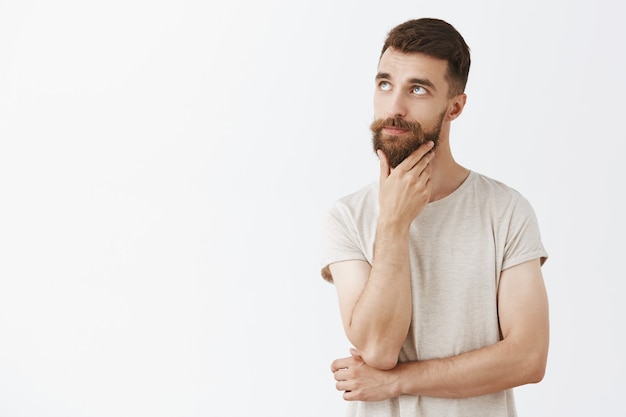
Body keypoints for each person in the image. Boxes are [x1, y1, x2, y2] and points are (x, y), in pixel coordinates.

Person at [320, 17, 549, 416]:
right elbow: (378, 348)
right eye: (385, 84)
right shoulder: (348, 216)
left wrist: (396, 382)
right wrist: (393, 223)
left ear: (455, 107)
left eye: (418, 89)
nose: (394, 107)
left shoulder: (505, 210)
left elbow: (528, 359)